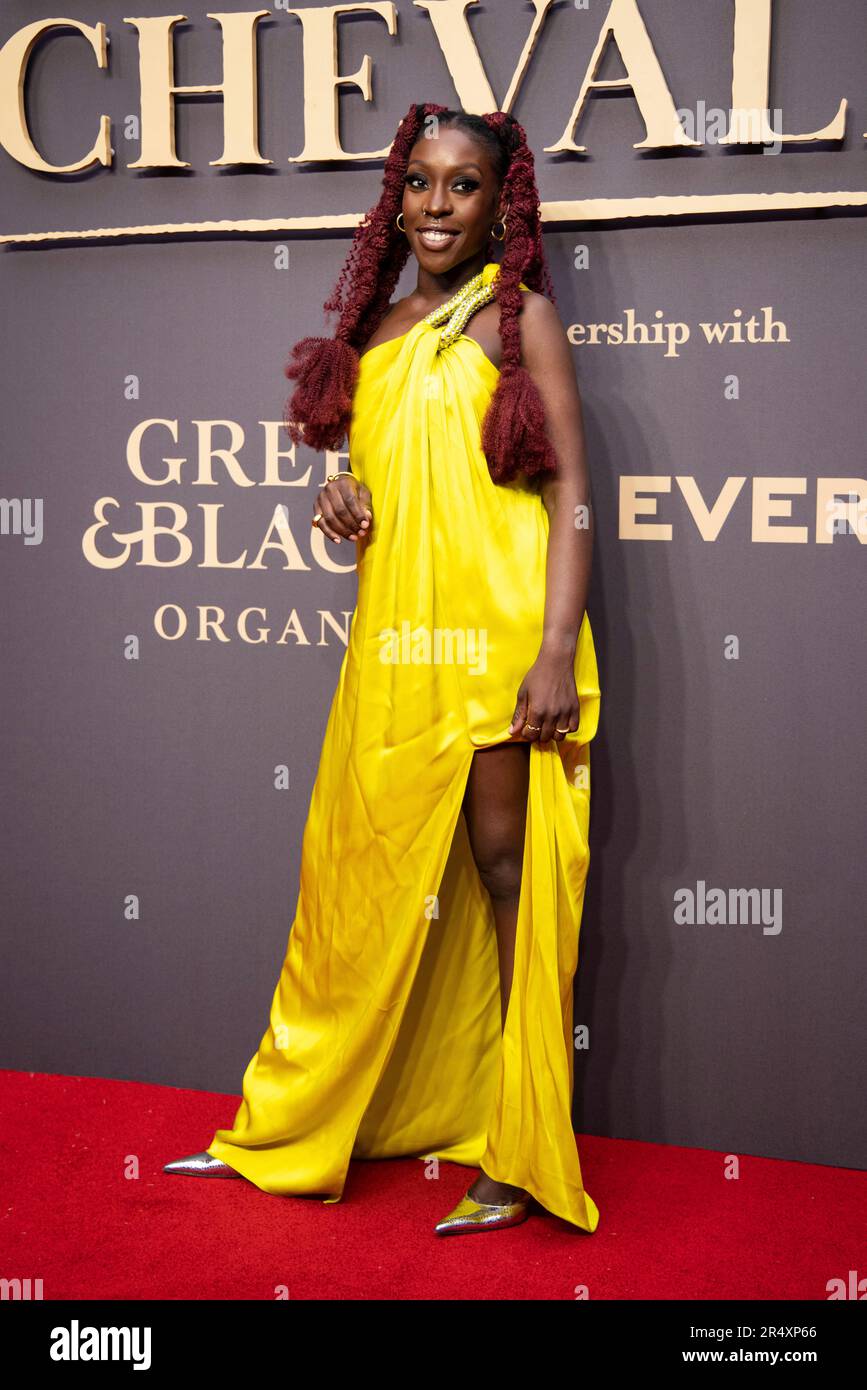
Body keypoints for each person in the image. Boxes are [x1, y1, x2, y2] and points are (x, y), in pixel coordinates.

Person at [165, 102, 601, 1237]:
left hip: (501, 642)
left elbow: (573, 500)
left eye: (464, 186)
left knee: (509, 879)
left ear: (500, 202)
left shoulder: (523, 321)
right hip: (395, 647)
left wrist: (555, 649)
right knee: (355, 878)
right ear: (396, 196)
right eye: (420, 182)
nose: (438, 205)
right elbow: (377, 499)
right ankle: (297, 1119)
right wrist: (337, 504)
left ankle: (519, 1148)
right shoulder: (375, 335)